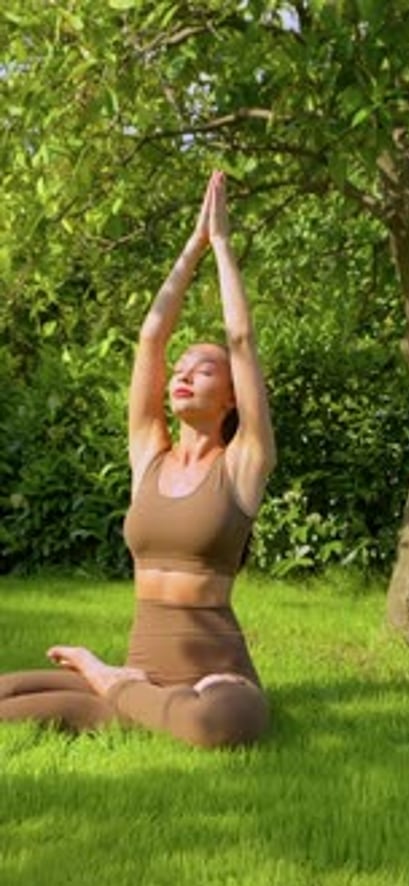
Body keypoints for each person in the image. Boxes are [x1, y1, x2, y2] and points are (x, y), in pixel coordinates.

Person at [0, 171, 276, 748]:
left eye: (203, 369)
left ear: (230, 397)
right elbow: (152, 336)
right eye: (180, 369)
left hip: (216, 671)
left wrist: (223, 246)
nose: (182, 375)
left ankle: (104, 682)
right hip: (145, 664)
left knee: (222, 724)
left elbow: (243, 340)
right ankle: (130, 697)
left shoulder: (244, 462)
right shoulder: (149, 454)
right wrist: (191, 246)